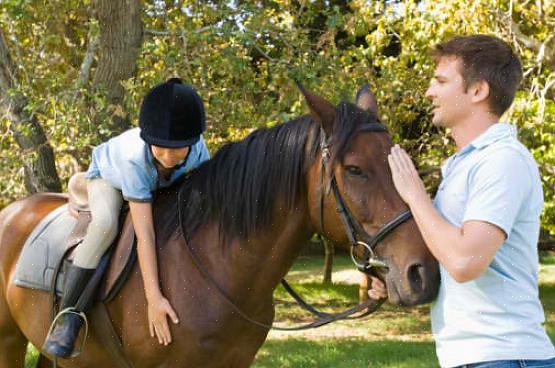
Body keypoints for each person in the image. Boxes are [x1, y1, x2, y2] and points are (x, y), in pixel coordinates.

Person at [368, 35, 555, 368]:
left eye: (441, 81)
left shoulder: (502, 160)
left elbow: (466, 262)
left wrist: (415, 195)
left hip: (506, 357)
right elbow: (447, 252)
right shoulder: (465, 165)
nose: (429, 92)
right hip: (477, 357)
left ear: (478, 91)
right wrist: (392, 276)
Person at [42, 78, 210, 358]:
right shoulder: (134, 160)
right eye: (161, 147)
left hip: (160, 184)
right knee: (106, 224)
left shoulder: (199, 150)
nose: (169, 156)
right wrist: (153, 299)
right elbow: (145, 235)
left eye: (178, 148)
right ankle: (68, 314)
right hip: (112, 179)